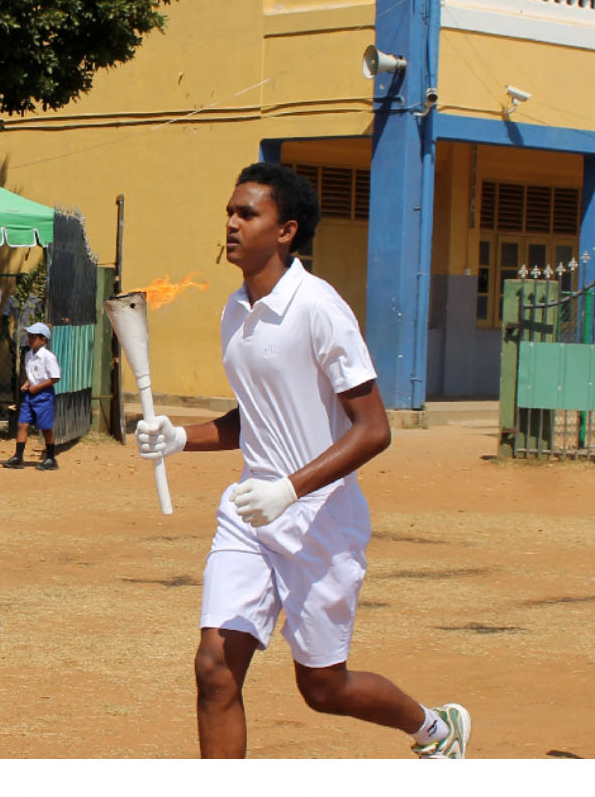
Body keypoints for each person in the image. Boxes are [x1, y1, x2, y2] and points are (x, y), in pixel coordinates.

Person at [134, 163, 470, 761]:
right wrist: (180, 438)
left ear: (285, 231)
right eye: (230, 213)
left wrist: (289, 489)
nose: (231, 224)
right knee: (214, 667)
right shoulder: (234, 311)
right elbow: (255, 418)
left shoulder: (320, 308)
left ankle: (435, 728)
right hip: (249, 516)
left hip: (323, 522)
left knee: (322, 688)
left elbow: (374, 429)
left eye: (247, 214)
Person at [2, 323, 62, 471]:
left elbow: (54, 377)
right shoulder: (29, 355)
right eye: (29, 336)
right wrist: (28, 383)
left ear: (43, 340)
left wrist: (37, 387)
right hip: (30, 394)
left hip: (44, 395)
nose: (29, 339)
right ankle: (18, 457)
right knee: (23, 424)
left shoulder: (48, 357)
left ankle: (50, 458)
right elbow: (33, 374)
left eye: (33, 337)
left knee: (45, 427)